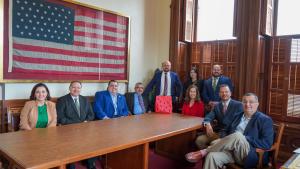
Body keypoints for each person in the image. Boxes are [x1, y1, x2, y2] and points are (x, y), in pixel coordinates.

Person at [186, 93, 274, 169]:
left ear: (257, 104)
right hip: (231, 151)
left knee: (238, 135)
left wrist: (245, 138)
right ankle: (208, 152)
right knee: (211, 156)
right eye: (244, 102)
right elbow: (226, 130)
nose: (247, 104)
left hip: (250, 154)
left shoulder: (265, 120)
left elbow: (267, 143)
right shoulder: (238, 115)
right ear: (241, 104)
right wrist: (222, 140)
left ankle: (204, 151)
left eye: (251, 102)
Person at [56, 81, 95, 169]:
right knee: (68, 142)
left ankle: (90, 163)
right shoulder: (62, 100)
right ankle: (70, 164)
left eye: (78, 87)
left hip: (84, 129)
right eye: (74, 87)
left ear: (81, 89)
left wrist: (85, 122)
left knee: (93, 140)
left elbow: (91, 115)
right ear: (69, 88)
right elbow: (61, 118)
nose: (76, 89)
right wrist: (77, 125)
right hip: (68, 130)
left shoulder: (85, 99)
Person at [195, 84, 243, 149]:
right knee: (199, 140)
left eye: (226, 92)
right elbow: (208, 117)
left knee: (214, 144)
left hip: (231, 135)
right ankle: (207, 155)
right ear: (219, 94)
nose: (224, 94)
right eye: (222, 92)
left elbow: (240, 123)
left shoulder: (238, 105)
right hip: (218, 133)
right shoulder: (217, 106)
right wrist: (207, 123)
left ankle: (208, 153)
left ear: (230, 93)